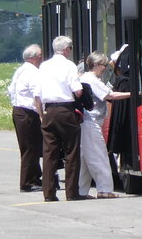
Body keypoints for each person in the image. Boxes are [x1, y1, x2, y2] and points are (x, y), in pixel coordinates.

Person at [36, 35, 84, 202]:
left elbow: (37, 94)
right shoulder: (69, 66)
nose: (70, 51)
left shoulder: (44, 66)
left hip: (49, 109)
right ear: (65, 50)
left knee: (49, 152)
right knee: (72, 151)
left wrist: (42, 115)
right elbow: (77, 90)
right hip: (65, 109)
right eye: (70, 48)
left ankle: (48, 193)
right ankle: (71, 192)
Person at [78, 53, 131, 199]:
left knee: (85, 158)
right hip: (91, 122)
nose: (105, 68)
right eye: (103, 65)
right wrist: (133, 94)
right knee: (98, 156)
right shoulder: (92, 79)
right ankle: (104, 189)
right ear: (95, 65)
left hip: (86, 123)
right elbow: (110, 95)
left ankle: (81, 190)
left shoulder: (85, 78)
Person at [7, 44, 44, 192]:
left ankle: (34, 176)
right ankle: (26, 182)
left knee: (30, 147)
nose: (41, 59)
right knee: (30, 148)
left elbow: (10, 90)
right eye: (40, 56)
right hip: (28, 112)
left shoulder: (20, 70)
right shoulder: (34, 72)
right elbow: (37, 96)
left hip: (18, 110)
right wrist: (41, 114)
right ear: (34, 58)